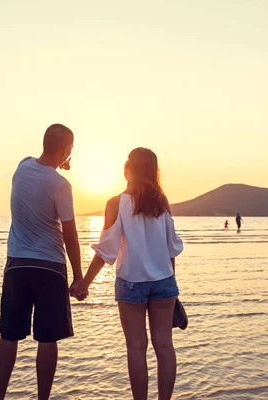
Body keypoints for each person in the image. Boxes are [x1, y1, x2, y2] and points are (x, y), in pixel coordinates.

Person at [71, 148, 184, 400]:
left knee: (136, 348)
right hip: (164, 281)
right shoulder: (161, 202)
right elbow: (171, 247)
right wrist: (171, 282)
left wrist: (83, 283)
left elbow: (107, 250)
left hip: (132, 282)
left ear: (128, 169)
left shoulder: (116, 203)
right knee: (164, 346)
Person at [0, 124, 82, 400]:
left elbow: (43, 165)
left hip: (17, 265)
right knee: (47, 338)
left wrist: (60, 162)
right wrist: (78, 277)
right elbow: (69, 234)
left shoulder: (21, 167)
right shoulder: (61, 186)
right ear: (66, 149)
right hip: (49, 267)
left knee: (9, 335)